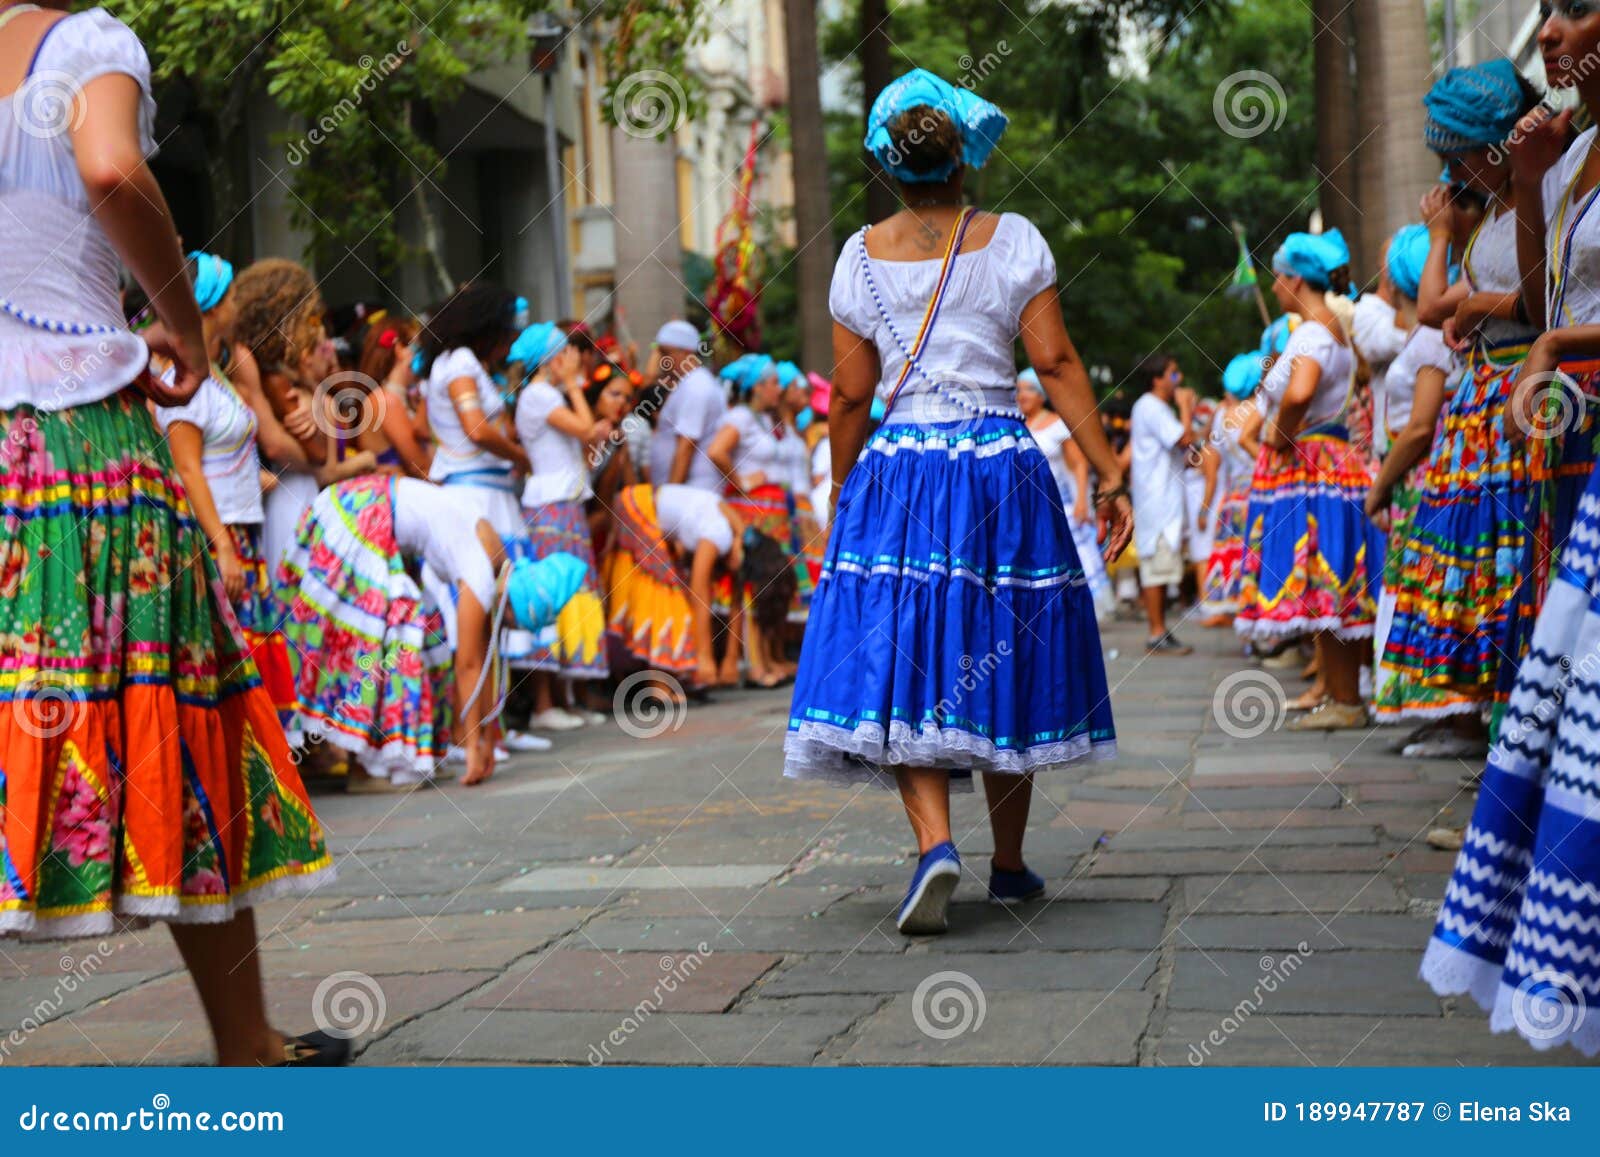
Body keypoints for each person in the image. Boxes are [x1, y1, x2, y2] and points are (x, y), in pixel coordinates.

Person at [0, 2, 339, 1066]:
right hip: (80, 443)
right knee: (189, 708)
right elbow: (109, 170)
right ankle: (247, 1044)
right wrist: (184, 325)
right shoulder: (87, 41)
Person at [784, 69, 1130, 936]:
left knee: (911, 650)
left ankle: (936, 843)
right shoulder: (1013, 241)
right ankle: (1008, 864)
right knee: (998, 644)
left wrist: (839, 489)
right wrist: (1108, 467)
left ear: (889, 170)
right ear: (962, 162)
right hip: (998, 465)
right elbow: (1054, 363)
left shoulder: (859, 257)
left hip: (900, 470)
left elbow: (850, 399)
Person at [1235, 231, 1383, 731]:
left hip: (1308, 467)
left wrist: (1277, 436)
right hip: (1330, 462)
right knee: (1327, 580)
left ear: (1295, 277)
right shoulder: (1332, 331)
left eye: (1279, 275)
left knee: (1323, 575)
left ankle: (1345, 699)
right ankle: (1343, 697)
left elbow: (1298, 392)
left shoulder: (1311, 333)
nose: (1275, 285)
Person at [154, 251, 294, 720]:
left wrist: (252, 478)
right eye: (232, 297)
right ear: (211, 306)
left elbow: (216, 456)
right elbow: (187, 469)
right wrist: (223, 546)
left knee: (248, 652)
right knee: (228, 658)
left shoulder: (214, 375)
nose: (239, 306)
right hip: (218, 537)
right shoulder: (181, 381)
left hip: (240, 529)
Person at [1365, 225, 1467, 741]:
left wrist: (1380, 483)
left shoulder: (1431, 337)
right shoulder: (1424, 335)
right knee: (1418, 589)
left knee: (1431, 589)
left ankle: (1450, 714)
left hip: (1422, 477)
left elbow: (1420, 426)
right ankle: (1434, 713)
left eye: (1389, 262)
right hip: (1417, 477)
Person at [508, 321, 611, 727]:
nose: (572, 360)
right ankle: (543, 704)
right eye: (564, 353)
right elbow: (586, 430)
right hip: (548, 507)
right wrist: (573, 386)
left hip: (563, 504)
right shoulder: (537, 395)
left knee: (573, 595)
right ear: (550, 360)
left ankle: (567, 698)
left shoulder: (544, 394)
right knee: (551, 594)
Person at [417, 282, 530, 645]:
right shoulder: (461, 363)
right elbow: (477, 430)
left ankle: (496, 700)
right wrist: (522, 457)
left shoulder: (457, 362)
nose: (512, 342)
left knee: (490, 614)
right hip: (476, 499)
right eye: (509, 332)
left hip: (485, 494)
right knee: (483, 611)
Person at [603, 483, 794, 692]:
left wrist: (730, 661)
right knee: (667, 599)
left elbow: (735, 604)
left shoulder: (736, 531)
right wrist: (706, 658)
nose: (739, 576)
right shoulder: (719, 533)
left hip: (637, 501)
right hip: (637, 506)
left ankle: (675, 678)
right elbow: (699, 594)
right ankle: (662, 687)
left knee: (675, 597)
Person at [707, 353, 795, 686]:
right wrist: (741, 483)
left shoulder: (763, 420)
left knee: (772, 586)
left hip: (772, 513)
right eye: (773, 383)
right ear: (757, 387)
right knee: (754, 586)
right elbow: (717, 451)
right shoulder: (742, 416)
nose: (778, 389)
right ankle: (753, 664)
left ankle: (769, 658)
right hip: (752, 513)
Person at [1018, 367, 1114, 621]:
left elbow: (1079, 464)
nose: (1021, 395)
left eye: (1028, 389)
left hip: (1064, 504)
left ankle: (1085, 611)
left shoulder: (1058, 424)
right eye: (1018, 389)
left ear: (1041, 394)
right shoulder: (1016, 426)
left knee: (1076, 554)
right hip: (1030, 507)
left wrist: (1083, 500)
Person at [1129, 353, 1197, 654]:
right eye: (1172, 374)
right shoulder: (1152, 406)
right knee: (1155, 568)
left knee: (1161, 567)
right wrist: (1186, 408)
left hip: (1159, 499)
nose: (1178, 380)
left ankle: (1160, 629)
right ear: (1157, 379)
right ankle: (1156, 632)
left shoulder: (1151, 407)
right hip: (1156, 502)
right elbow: (1184, 439)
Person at [1199, 353, 1264, 619]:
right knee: (1259, 557)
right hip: (1259, 489)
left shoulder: (1222, 416)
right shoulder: (1261, 409)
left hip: (1233, 495)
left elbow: (1213, 456)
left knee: (1237, 554)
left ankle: (1240, 613)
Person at [646, 320, 724, 490]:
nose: (661, 359)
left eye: (665, 352)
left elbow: (686, 446)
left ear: (687, 351)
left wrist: (669, 496)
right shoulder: (688, 384)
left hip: (694, 491)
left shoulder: (696, 387)